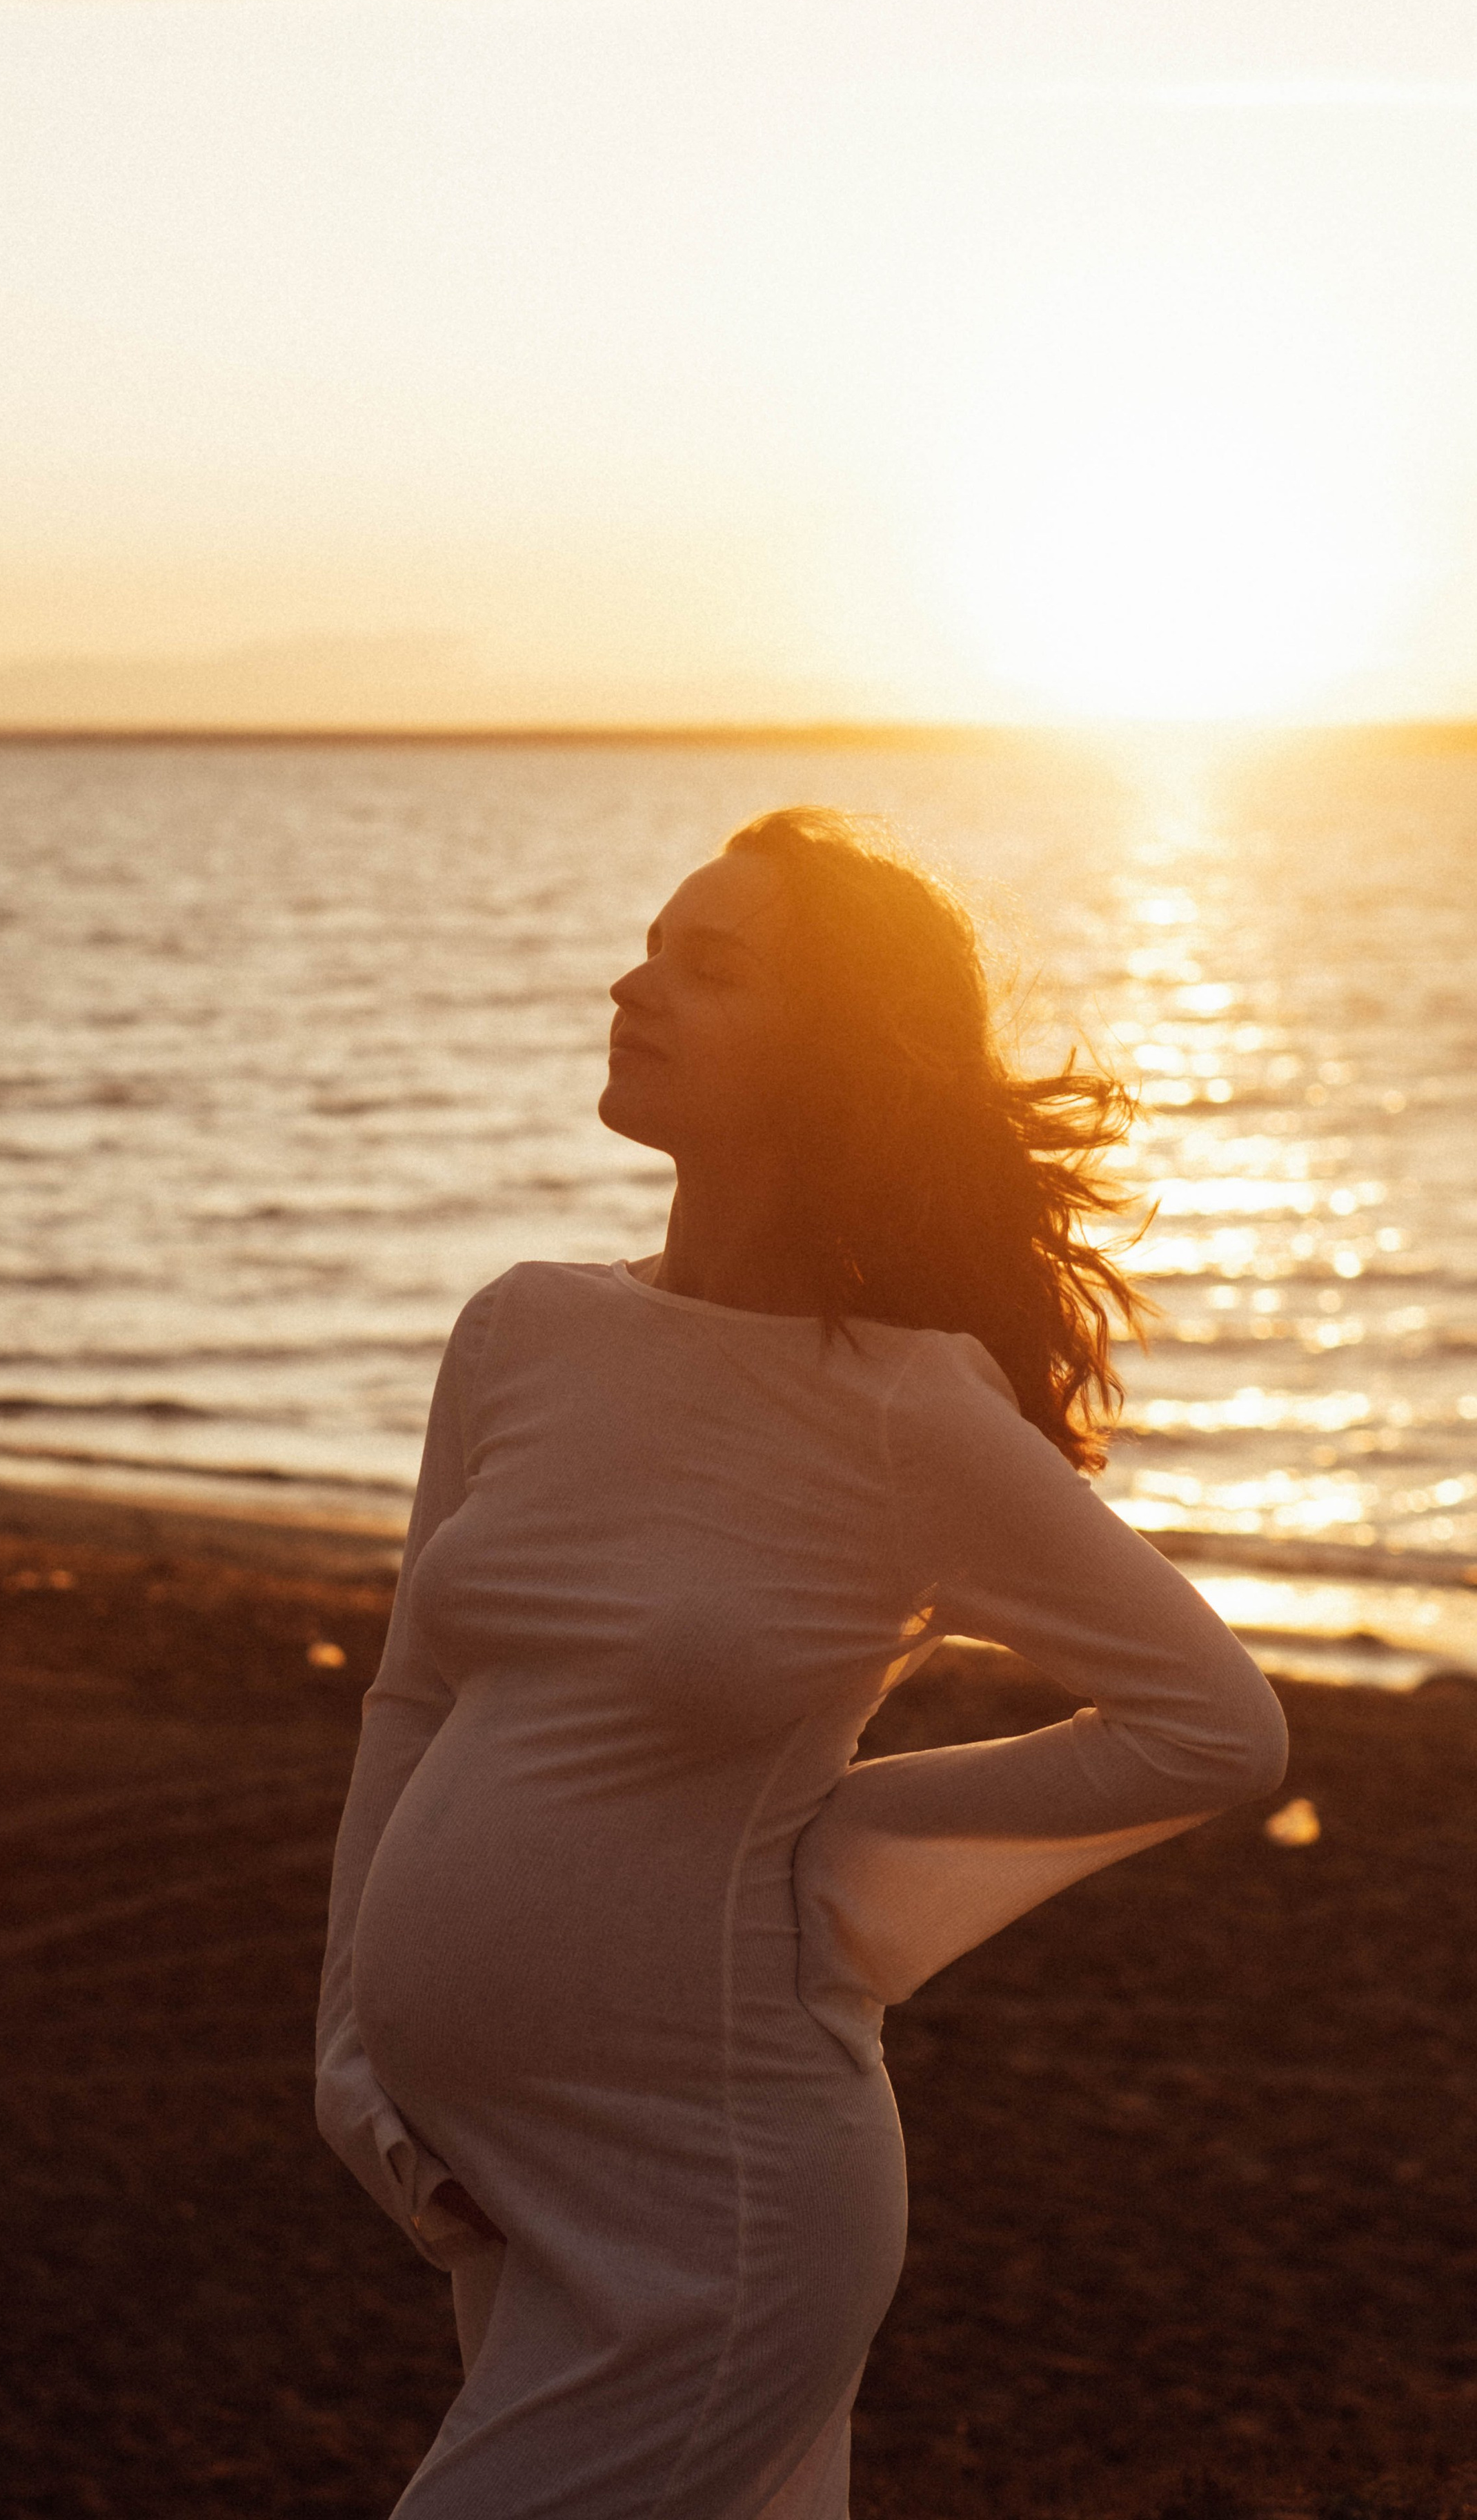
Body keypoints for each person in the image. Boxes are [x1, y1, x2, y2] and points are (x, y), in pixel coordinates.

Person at [315, 805, 1288, 2519]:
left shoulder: (905, 1405)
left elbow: (1211, 1723)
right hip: (491, 2178)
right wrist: (347, 2061)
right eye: (647, 946)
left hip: (725, 2203)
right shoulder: (520, 1326)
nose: (636, 986)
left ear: (832, 1058)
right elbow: (413, 1696)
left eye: (711, 967)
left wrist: (848, 1852)